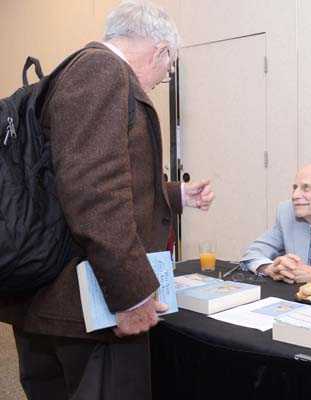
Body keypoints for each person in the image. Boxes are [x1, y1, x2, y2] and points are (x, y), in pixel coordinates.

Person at [0, 1, 214, 399]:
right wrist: (132, 293)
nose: (157, 81)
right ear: (161, 51)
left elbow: (83, 176)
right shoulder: (102, 72)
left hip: (50, 299)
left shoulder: (80, 74)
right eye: (167, 72)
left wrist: (176, 194)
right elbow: (94, 191)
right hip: (85, 308)